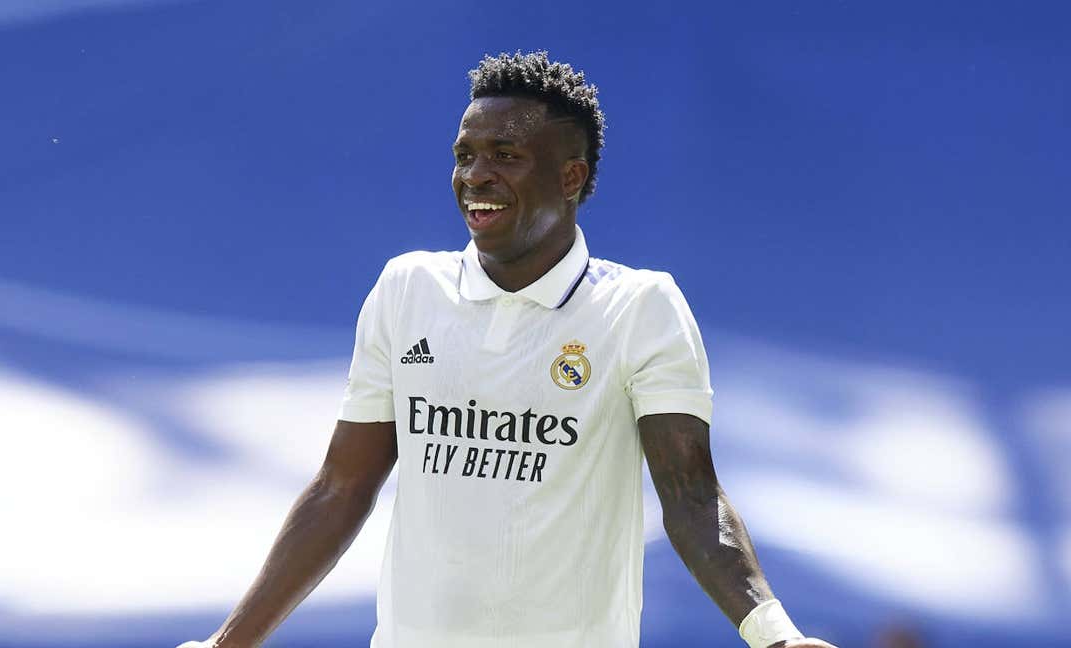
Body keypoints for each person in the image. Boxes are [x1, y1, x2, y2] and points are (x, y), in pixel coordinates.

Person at [179, 51, 837, 648]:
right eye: (465, 155)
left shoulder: (640, 307)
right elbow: (341, 488)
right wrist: (229, 642)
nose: (475, 176)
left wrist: (776, 636)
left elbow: (692, 496)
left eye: (505, 155)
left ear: (571, 176)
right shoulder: (406, 288)